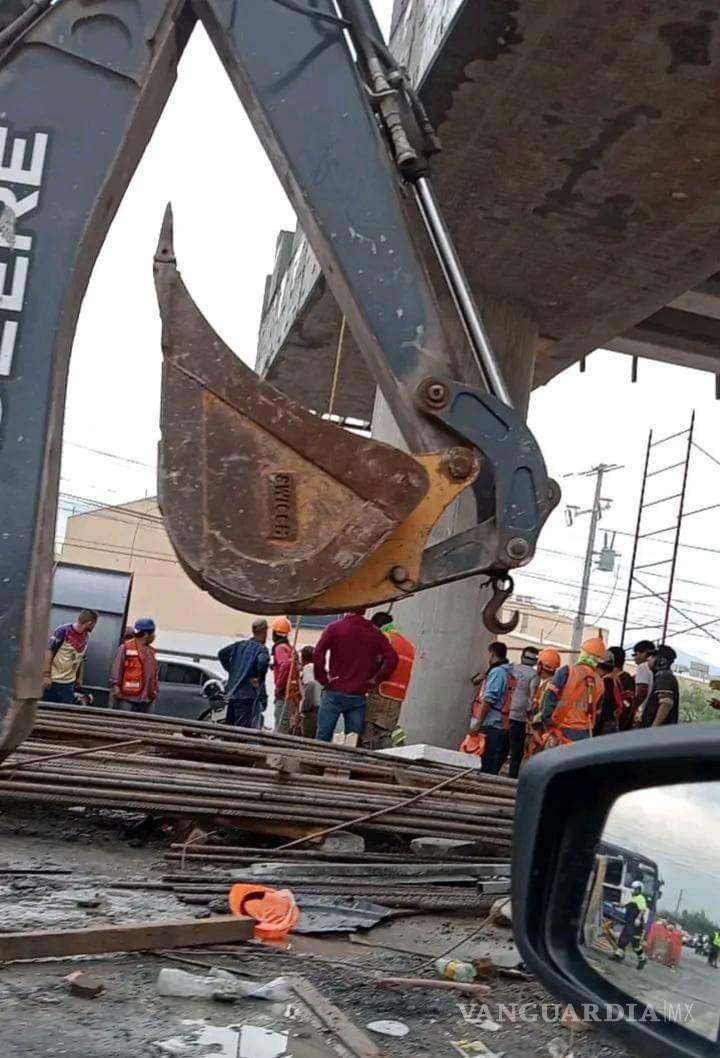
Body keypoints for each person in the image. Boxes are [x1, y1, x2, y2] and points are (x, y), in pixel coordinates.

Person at [313, 609, 398, 743]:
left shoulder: (334, 628)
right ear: (364, 610)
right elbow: (392, 659)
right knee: (352, 740)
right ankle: (347, 763)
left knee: (323, 735)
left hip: (334, 689)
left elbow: (318, 654)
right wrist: (375, 680)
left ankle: (315, 762)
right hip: (358, 694)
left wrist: (323, 679)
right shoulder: (374, 632)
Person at [360, 611, 416, 750]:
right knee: (386, 733)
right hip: (397, 696)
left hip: (380, 692)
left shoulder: (385, 638)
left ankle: (364, 766)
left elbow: (374, 662)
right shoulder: (409, 644)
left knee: (368, 732)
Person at [540, 637, 606, 746]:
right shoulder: (600, 683)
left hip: (561, 730)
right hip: (584, 733)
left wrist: (547, 722)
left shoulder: (567, 671)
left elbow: (550, 697)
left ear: (583, 653)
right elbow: (597, 712)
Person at [462, 642, 514, 775]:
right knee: (487, 765)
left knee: (484, 767)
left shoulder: (497, 672)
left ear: (492, 654)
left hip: (492, 726)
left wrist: (478, 723)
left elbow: (489, 699)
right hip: (497, 725)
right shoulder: (505, 672)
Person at [218, 617, 270, 728]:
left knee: (229, 728)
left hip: (233, 693)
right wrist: (259, 679)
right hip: (247, 695)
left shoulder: (239, 645)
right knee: (241, 731)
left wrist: (232, 671)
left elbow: (222, 654)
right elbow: (262, 661)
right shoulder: (261, 649)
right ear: (265, 632)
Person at [43, 609, 98, 703]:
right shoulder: (63, 631)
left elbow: (81, 657)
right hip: (54, 680)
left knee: (65, 712)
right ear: (89, 623)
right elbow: (49, 652)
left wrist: (79, 678)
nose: (94, 627)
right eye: (94, 624)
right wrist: (46, 675)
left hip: (69, 683)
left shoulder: (85, 636)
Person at [109, 618, 159, 713]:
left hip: (147, 700)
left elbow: (154, 673)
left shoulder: (151, 652)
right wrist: (116, 686)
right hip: (127, 699)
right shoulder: (125, 648)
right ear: (146, 634)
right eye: (153, 633)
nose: (154, 636)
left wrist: (154, 691)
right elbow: (117, 669)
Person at [505, 646, 539, 777]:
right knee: (516, 754)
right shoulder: (534, 675)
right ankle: (511, 780)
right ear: (535, 662)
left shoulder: (512, 669)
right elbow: (532, 697)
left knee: (501, 750)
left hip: (505, 714)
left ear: (522, 657)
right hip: (519, 718)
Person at [526, 648, 561, 758]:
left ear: (541, 666)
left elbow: (542, 711)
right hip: (545, 734)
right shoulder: (553, 684)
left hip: (540, 733)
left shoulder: (548, 686)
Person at [271, 616, 301, 734]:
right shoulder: (290, 648)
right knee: (286, 723)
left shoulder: (279, 648)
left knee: (281, 725)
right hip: (292, 694)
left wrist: (279, 687)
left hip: (285, 693)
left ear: (274, 633)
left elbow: (286, 665)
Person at [612, 881, 648, 971]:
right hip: (630, 923)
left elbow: (642, 910)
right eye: (633, 889)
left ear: (640, 890)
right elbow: (628, 905)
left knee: (631, 942)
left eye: (636, 889)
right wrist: (618, 904)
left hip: (635, 925)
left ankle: (642, 959)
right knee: (627, 939)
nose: (634, 890)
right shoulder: (634, 898)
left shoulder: (640, 898)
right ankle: (619, 956)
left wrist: (638, 919)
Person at [640, 644, 679, 727]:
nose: (648, 659)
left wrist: (654, 727)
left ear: (662, 661)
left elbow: (666, 704)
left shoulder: (664, 677)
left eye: (653, 656)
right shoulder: (662, 676)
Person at [593, 648, 626, 736]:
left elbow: (605, 707)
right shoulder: (614, 679)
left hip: (604, 726)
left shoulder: (606, 682)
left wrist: (596, 729)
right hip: (612, 723)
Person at [299, 644, 321, 739]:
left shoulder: (308, 670)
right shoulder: (318, 669)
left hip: (311, 711)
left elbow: (310, 687)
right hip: (320, 709)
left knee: (308, 738)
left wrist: (304, 709)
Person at [632, 640, 656, 725]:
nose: (634, 657)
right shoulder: (654, 669)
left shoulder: (643, 667)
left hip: (642, 714)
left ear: (644, 653)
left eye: (635, 654)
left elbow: (642, 691)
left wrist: (631, 709)